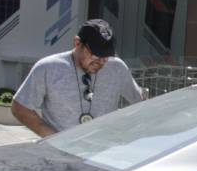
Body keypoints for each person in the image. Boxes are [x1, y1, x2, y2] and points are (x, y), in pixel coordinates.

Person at [11, 19, 144, 136]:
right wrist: (53, 138)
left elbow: (142, 103)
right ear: (77, 43)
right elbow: (20, 107)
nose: (101, 62)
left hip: (103, 152)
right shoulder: (48, 68)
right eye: (96, 55)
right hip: (59, 153)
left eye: (106, 56)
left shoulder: (117, 68)